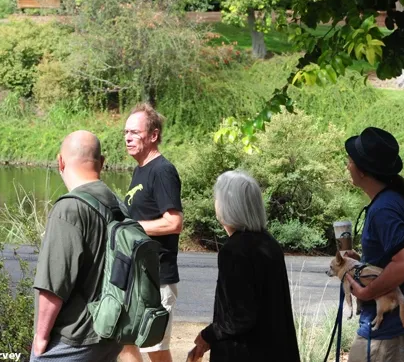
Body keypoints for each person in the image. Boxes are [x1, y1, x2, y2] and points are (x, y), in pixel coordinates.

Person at [31, 130, 123, 361]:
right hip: (111, 334)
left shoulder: (69, 209)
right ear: (102, 163)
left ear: (60, 162)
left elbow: (53, 284)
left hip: (74, 339)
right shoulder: (118, 205)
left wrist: (40, 338)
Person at [192, 170, 300, 362]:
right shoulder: (268, 242)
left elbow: (239, 317)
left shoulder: (234, 251)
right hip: (276, 349)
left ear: (228, 206)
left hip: (246, 352)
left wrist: (207, 336)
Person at [343, 127, 404, 362]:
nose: (347, 165)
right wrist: (363, 263)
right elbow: (394, 258)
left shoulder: (383, 209)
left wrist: (366, 291)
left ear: (363, 171)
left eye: (350, 160)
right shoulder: (395, 199)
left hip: (387, 334)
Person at [121, 103, 183, 362]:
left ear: (153, 135)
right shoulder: (140, 169)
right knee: (123, 340)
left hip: (157, 278)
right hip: (137, 276)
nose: (127, 138)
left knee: (153, 349)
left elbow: (174, 223)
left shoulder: (162, 171)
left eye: (134, 132)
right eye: (125, 132)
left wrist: (130, 227)